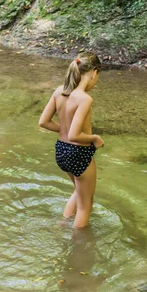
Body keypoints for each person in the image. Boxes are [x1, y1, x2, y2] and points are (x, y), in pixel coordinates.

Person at [39, 52, 104, 228]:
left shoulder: (59, 91)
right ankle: (79, 247)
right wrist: (95, 138)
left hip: (61, 151)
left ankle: (62, 224)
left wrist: (64, 129)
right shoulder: (85, 99)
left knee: (79, 191)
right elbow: (75, 135)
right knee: (85, 205)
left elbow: (43, 122)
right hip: (79, 153)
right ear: (94, 73)